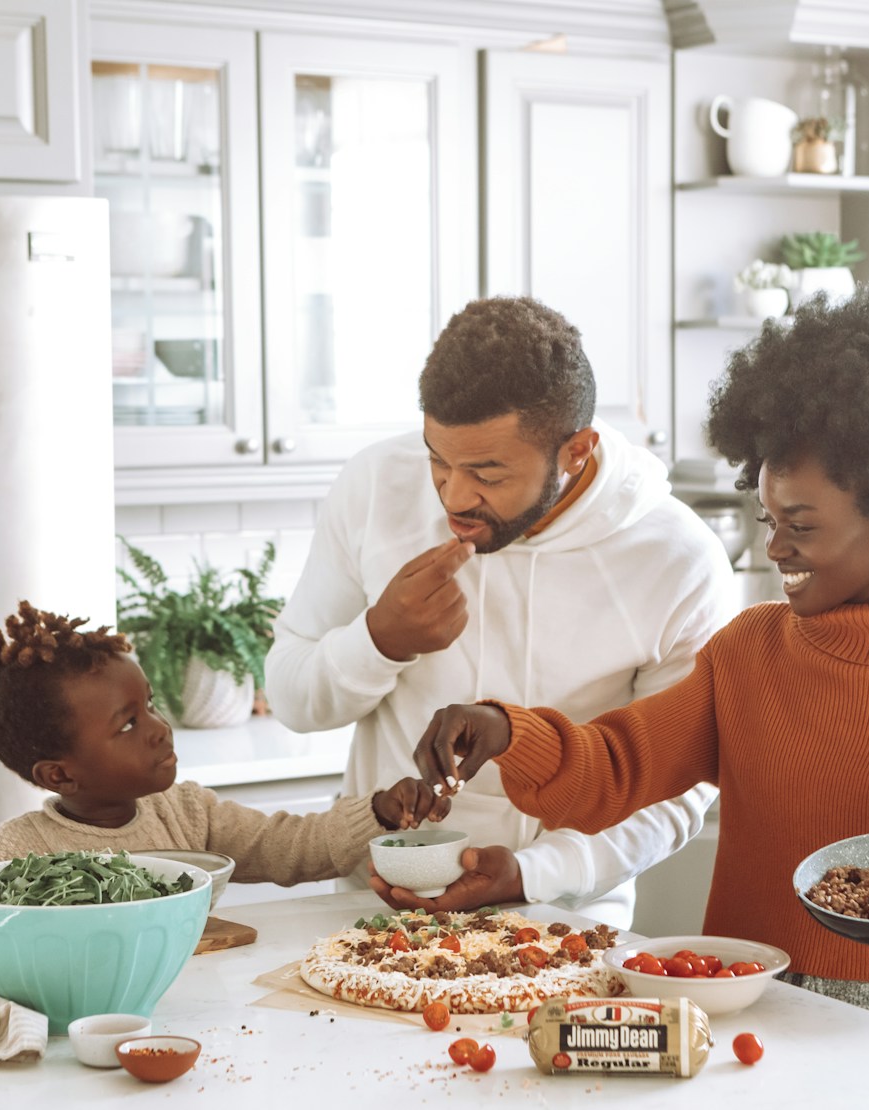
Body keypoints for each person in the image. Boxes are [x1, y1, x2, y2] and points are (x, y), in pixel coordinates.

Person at [410, 269, 869, 1044]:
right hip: (749, 1003)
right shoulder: (748, 653)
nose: (774, 549)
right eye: (767, 517)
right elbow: (618, 766)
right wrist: (506, 731)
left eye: (799, 526)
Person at [264, 295, 736, 928]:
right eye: (438, 459)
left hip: (563, 923)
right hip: (373, 911)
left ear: (576, 451)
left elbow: (673, 790)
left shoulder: (679, 561)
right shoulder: (376, 484)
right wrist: (379, 640)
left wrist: (534, 874)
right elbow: (291, 699)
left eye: (487, 471)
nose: (454, 495)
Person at [0, 601, 445, 875]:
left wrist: (379, 810)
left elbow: (291, 846)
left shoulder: (187, 814)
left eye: (151, 705)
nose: (160, 729)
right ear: (59, 774)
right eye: (128, 724)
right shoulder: (14, 855)